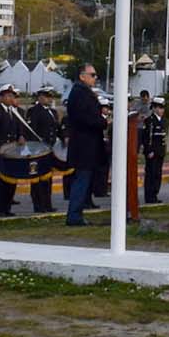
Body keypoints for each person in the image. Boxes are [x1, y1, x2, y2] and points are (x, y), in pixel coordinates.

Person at [63, 64, 105, 227]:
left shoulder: (83, 92)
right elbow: (84, 118)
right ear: (82, 76)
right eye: (92, 75)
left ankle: (77, 213)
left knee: (84, 180)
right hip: (84, 145)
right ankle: (74, 216)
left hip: (88, 144)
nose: (95, 78)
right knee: (81, 180)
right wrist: (102, 122)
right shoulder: (80, 93)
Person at [0, 84, 27, 217]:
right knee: (1, 182)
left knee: (11, 180)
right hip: (2, 152)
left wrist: (21, 136)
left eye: (12, 96)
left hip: (13, 152)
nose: (11, 98)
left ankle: (8, 206)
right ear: (2, 97)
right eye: (8, 96)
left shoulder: (15, 112)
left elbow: (19, 128)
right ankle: (0, 208)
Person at [26, 88, 59, 213]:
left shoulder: (52, 112)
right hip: (38, 150)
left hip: (49, 150)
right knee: (37, 179)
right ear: (39, 97)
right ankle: (38, 205)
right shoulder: (34, 111)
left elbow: (55, 129)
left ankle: (47, 204)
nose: (49, 99)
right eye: (46, 96)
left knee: (47, 178)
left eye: (50, 97)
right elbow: (31, 130)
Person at [139, 91, 167, 204]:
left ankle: (155, 194)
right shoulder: (150, 121)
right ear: (154, 108)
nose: (161, 110)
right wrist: (149, 150)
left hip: (160, 151)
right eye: (159, 108)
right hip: (152, 152)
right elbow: (147, 137)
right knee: (151, 173)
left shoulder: (163, 121)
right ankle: (149, 196)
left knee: (158, 174)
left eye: (162, 108)